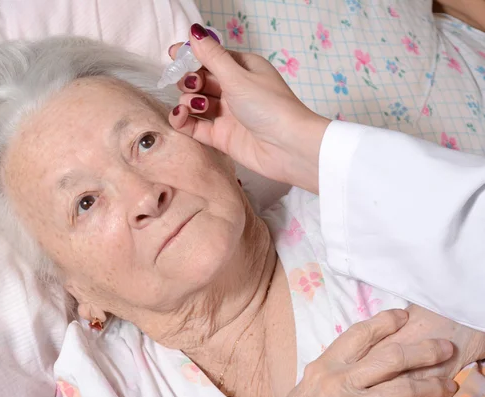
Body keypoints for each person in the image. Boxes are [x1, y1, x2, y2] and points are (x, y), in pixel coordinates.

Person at [0, 36, 484, 397]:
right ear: (77, 286)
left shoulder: (362, 202)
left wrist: (308, 142)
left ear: (214, 147)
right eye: (85, 202)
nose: (143, 194)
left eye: (145, 141)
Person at [167, 24, 485, 334]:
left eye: (146, 141)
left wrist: (300, 142)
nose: (146, 197)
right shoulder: (130, 375)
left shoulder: (322, 225)